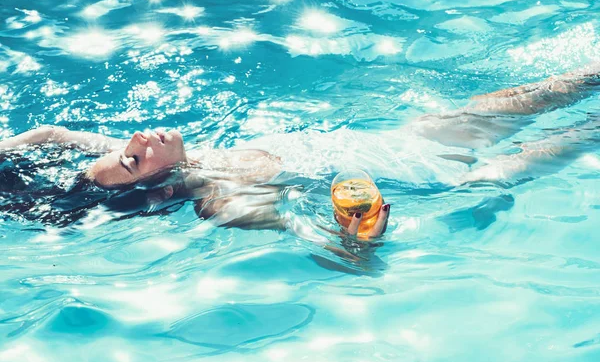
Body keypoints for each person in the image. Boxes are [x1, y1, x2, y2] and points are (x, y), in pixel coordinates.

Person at [0, 63, 599, 237]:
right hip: (428, 181)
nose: (135, 139)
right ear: (150, 186)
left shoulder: (159, 158)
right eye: (133, 158)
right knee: (576, 136)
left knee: (544, 90)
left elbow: (53, 139)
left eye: (124, 147)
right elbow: (331, 246)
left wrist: (13, 144)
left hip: (397, 141)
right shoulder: (221, 199)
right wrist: (364, 231)